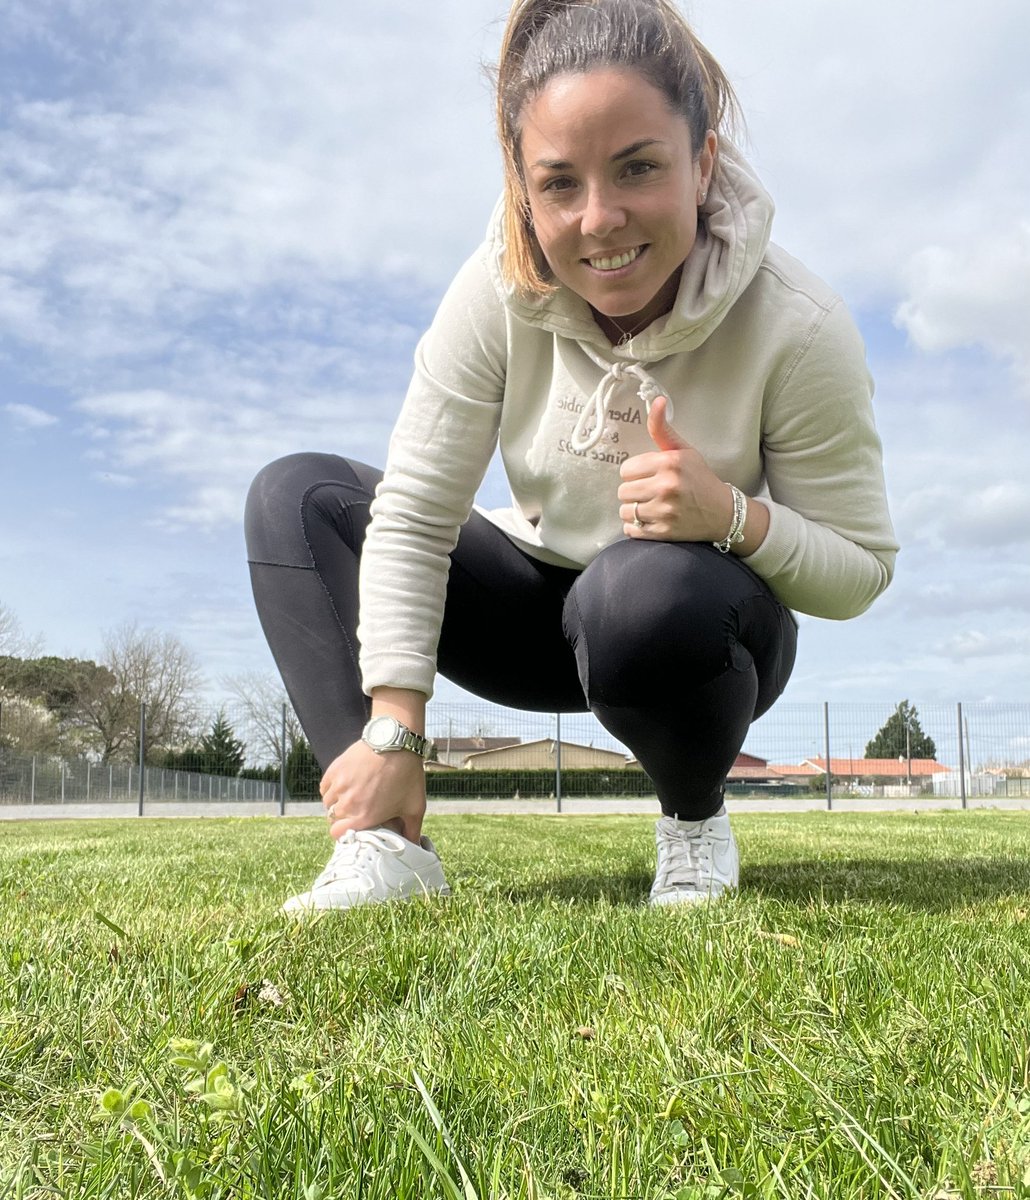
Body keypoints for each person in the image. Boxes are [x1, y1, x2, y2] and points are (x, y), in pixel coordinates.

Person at [244, 0, 897, 914]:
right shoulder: (495, 292)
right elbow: (419, 511)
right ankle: (385, 845)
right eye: (559, 184)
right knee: (297, 497)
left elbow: (860, 572)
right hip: (542, 612)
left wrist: (732, 518)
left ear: (703, 161)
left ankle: (696, 823)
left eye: (639, 168)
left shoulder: (801, 323)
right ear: (520, 187)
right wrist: (396, 727)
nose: (601, 220)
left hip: (694, 633)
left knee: (638, 592)